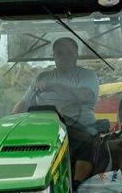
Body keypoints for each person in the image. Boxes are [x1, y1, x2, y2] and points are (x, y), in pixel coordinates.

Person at [13, 37, 101, 183]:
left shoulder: (87, 76)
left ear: (76, 55)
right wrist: (12, 120)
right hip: (44, 127)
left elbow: (85, 95)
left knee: (87, 142)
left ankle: (76, 184)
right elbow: (23, 102)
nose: (64, 56)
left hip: (77, 127)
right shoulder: (42, 77)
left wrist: (53, 86)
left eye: (69, 52)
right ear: (53, 56)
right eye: (59, 53)